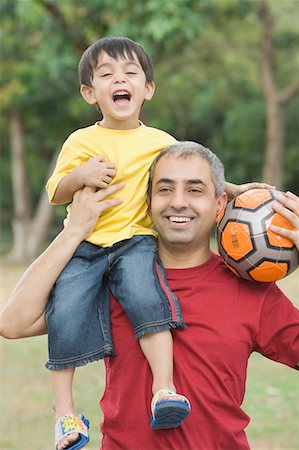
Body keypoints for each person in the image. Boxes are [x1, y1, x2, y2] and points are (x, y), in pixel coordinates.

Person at [42, 35, 272, 448]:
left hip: (135, 244)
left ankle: (164, 389)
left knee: (151, 304)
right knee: (65, 314)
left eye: (130, 73)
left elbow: (196, 175)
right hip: (88, 247)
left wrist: (236, 193)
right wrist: (81, 177)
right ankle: (65, 414)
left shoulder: (160, 142)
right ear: (89, 92)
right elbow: (56, 191)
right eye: (107, 74)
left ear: (147, 89)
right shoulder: (81, 142)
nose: (120, 80)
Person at [1, 141, 298, 450]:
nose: (178, 202)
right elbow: (13, 323)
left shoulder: (251, 289)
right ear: (147, 202)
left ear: (220, 204)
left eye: (195, 190)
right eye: (165, 190)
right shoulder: (113, 280)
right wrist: (73, 232)